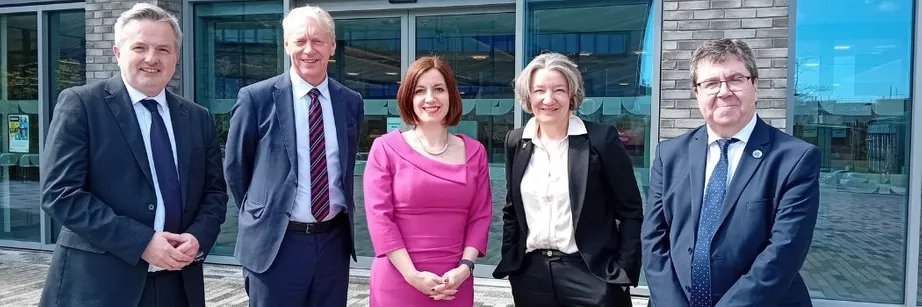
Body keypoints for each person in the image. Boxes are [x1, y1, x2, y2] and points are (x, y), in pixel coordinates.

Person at [38, 3, 228, 307]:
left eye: (163, 49)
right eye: (140, 47)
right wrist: (142, 243)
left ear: (176, 57)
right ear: (118, 52)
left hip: (177, 285)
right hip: (100, 285)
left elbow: (215, 192)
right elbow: (60, 194)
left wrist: (197, 238)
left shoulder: (197, 117)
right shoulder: (81, 105)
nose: (152, 58)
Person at [641, 38, 820, 307]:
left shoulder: (794, 158)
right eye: (711, 83)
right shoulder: (670, 154)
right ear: (697, 93)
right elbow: (653, 240)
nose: (724, 92)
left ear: (754, 86)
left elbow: (784, 252)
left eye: (736, 79)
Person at [223, 4, 364, 307]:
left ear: (332, 46)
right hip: (276, 243)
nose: (309, 49)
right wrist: (263, 211)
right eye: (300, 41)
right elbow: (236, 168)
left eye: (318, 40)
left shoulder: (350, 101)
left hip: (332, 243)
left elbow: (345, 164)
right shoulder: (256, 98)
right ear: (287, 44)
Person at [491, 52, 644, 307]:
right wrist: (513, 260)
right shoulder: (516, 142)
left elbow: (631, 211)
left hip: (591, 275)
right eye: (539, 90)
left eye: (558, 90)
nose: (548, 99)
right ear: (528, 96)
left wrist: (622, 272)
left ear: (572, 95)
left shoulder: (600, 140)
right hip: (532, 275)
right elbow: (512, 211)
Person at [362, 56, 493, 307]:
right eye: (420, 90)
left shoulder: (475, 151)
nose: (430, 98)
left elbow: (481, 216)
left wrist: (465, 268)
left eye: (439, 89)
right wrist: (412, 275)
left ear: (451, 96)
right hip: (399, 278)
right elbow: (380, 218)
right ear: (409, 98)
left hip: (454, 282)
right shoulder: (385, 148)